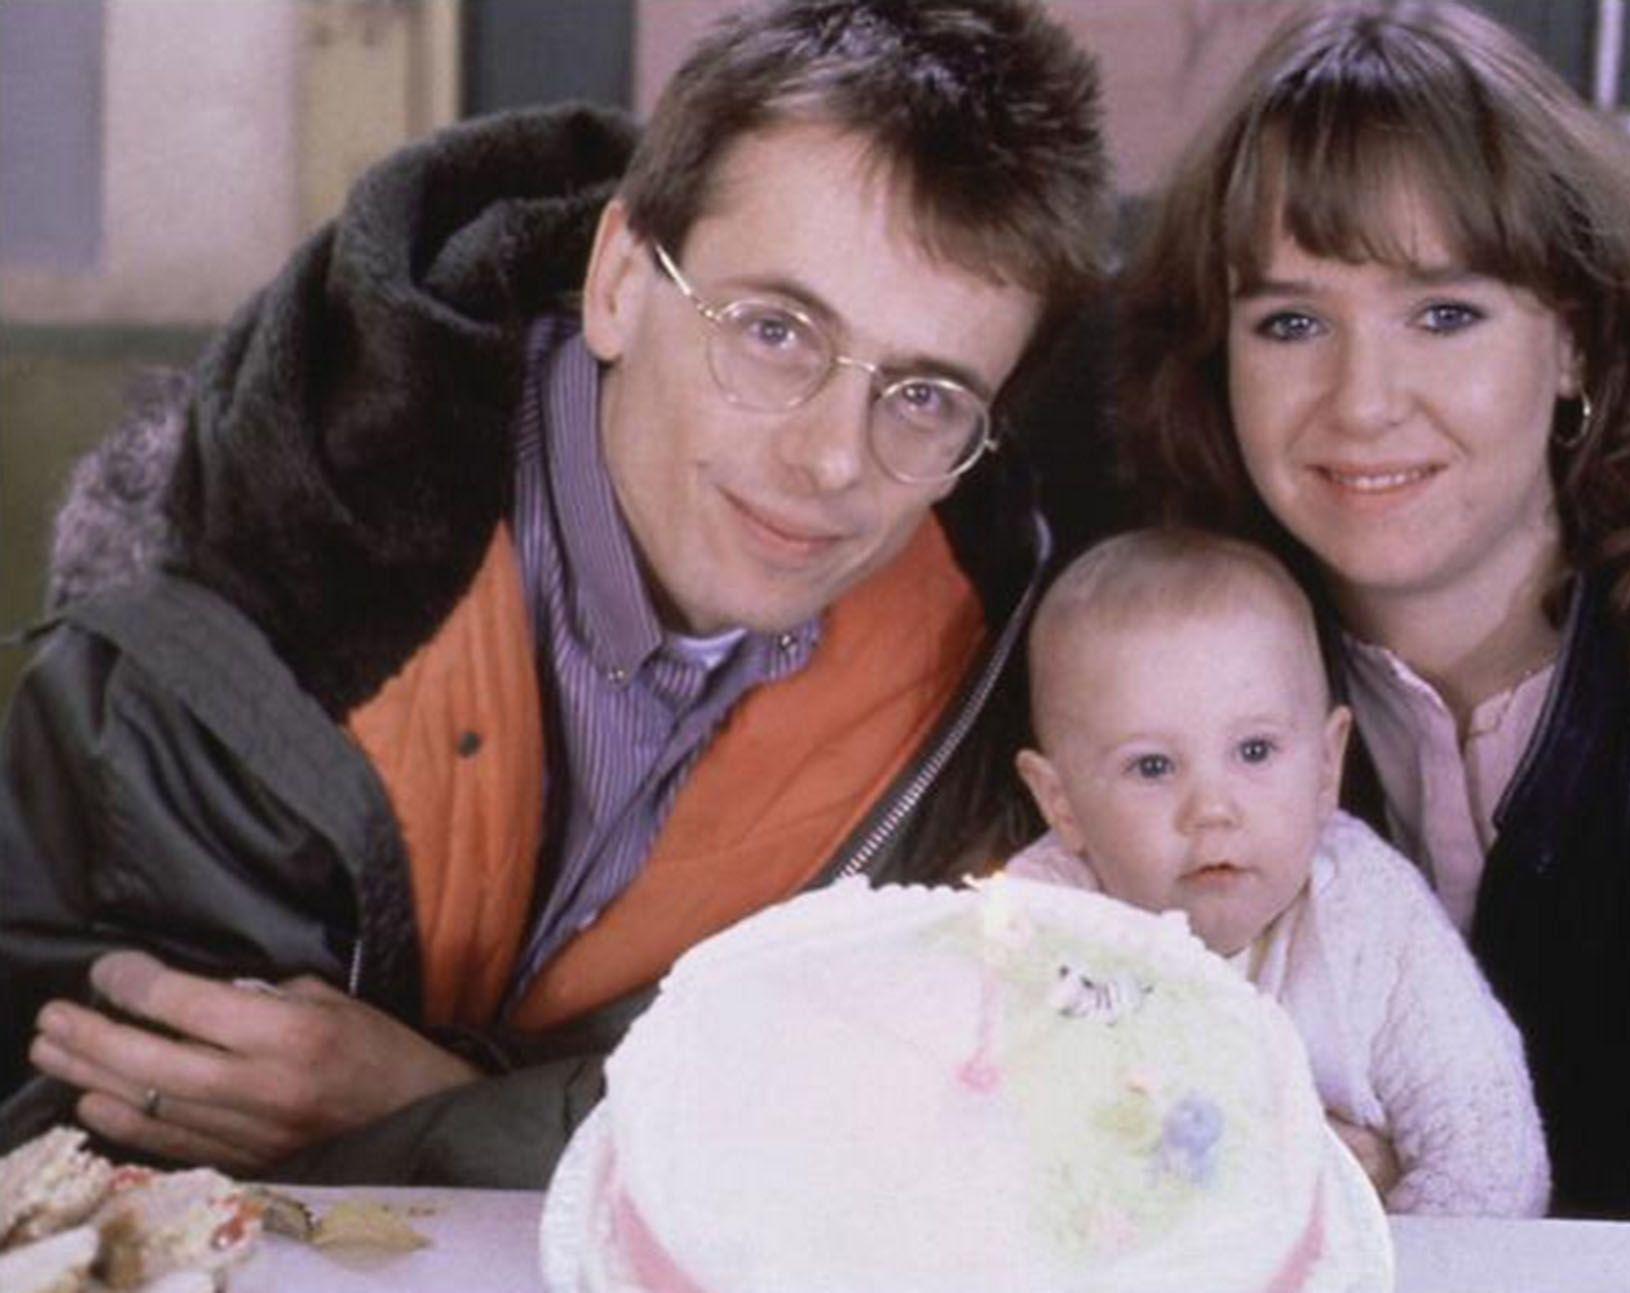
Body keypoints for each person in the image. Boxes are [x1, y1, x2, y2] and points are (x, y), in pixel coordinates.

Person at [0, 0, 1112, 1186]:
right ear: (621, 280)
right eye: (776, 331)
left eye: (927, 395)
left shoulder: (986, 672)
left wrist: (436, 1103)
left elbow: (887, 1144)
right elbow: (75, 1154)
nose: (835, 460)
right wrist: (566, 1121)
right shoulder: (257, 595)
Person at [1118, 0, 1630, 1224]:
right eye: (1290, 322)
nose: (1363, 399)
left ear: (1577, 346)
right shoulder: (1121, 683)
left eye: (1445, 314)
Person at [1005, 527, 1549, 1216]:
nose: (1212, 809)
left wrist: (1398, 1255)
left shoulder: (1368, 911)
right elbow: (1001, 1150)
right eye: (1152, 766)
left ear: (1327, 765)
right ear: (1061, 801)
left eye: (1255, 750)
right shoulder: (1039, 927)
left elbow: (1489, 1142)